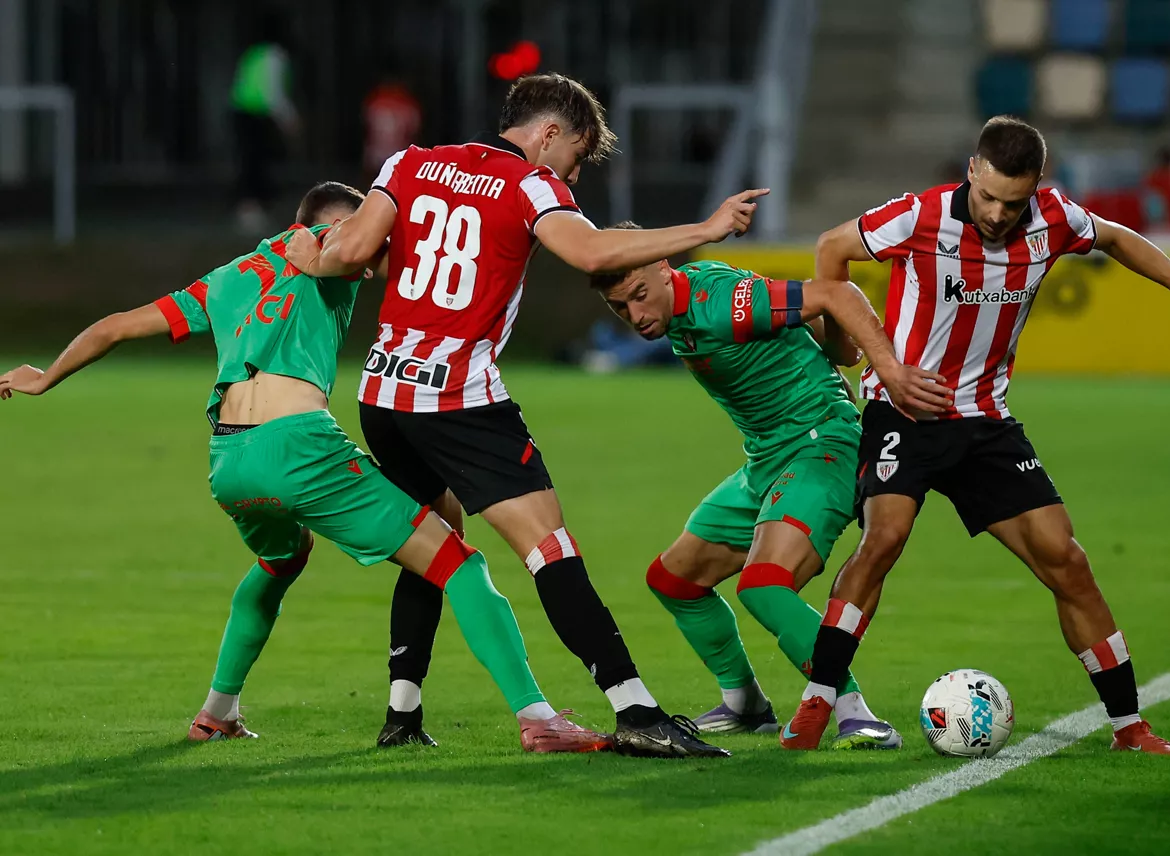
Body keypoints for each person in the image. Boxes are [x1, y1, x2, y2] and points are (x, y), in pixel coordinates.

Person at [0, 182, 610, 755]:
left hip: (229, 460)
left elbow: (115, 327)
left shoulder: (228, 276)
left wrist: (46, 376)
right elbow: (402, 266)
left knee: (282, 558)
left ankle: (216, 712)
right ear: (337, 225)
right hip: (299, 448)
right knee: (458, 561)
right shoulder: (332, 248)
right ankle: (538, 718)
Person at [285, 72, 768, 758]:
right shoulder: (531, 184)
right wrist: (707, 228)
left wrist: (312, 254)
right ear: (549, 133)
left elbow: (354, 252)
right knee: (550, 549)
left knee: (433, 545)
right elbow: (591, 251)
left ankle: (402, 713)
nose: (574, 173)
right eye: (576, 156)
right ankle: (636, 711)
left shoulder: (409, 163)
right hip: (456, 397)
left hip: (383, 395)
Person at [779, 116, 1170, 754]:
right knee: (883, 537)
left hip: (985, 422)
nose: (999, 214)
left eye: (1014, 202)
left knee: (1069, 561)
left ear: (1035, 186)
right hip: (904, 414)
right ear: (972, 172)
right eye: (989, 197)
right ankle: (818, 702)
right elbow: (831, 247)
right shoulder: (920, 215)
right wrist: (861, 353)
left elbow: (1116, 238)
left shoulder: (1053, 217)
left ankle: (1129, 727)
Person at [587, 223, 950, 748]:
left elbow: (835, 292)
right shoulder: (685, 302)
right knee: (675, 579)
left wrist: (887, 369)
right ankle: (744, 703)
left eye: (640, 295)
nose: (636, 315)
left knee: (763, 584)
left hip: (820, 444)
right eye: (620, 307)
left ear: (663, 267)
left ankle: (855, 713)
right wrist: (839, 345)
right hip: (767, 460)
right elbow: (809, 316)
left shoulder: (721, 304)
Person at [229, 15, 301, 234]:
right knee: (255, 162)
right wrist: (289, 119)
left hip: (241, 111)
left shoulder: (253, 53)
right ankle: (250, 211)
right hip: (256, 114)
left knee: (250, 161)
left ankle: (251, 209)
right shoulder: (275, 56)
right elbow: (274, 93)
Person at [363, 65, 423, 186]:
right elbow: (414, 129)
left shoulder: (374, 99)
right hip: (400, 155)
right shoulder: (407, 102)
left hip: (376, 155)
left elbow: (367, 124)